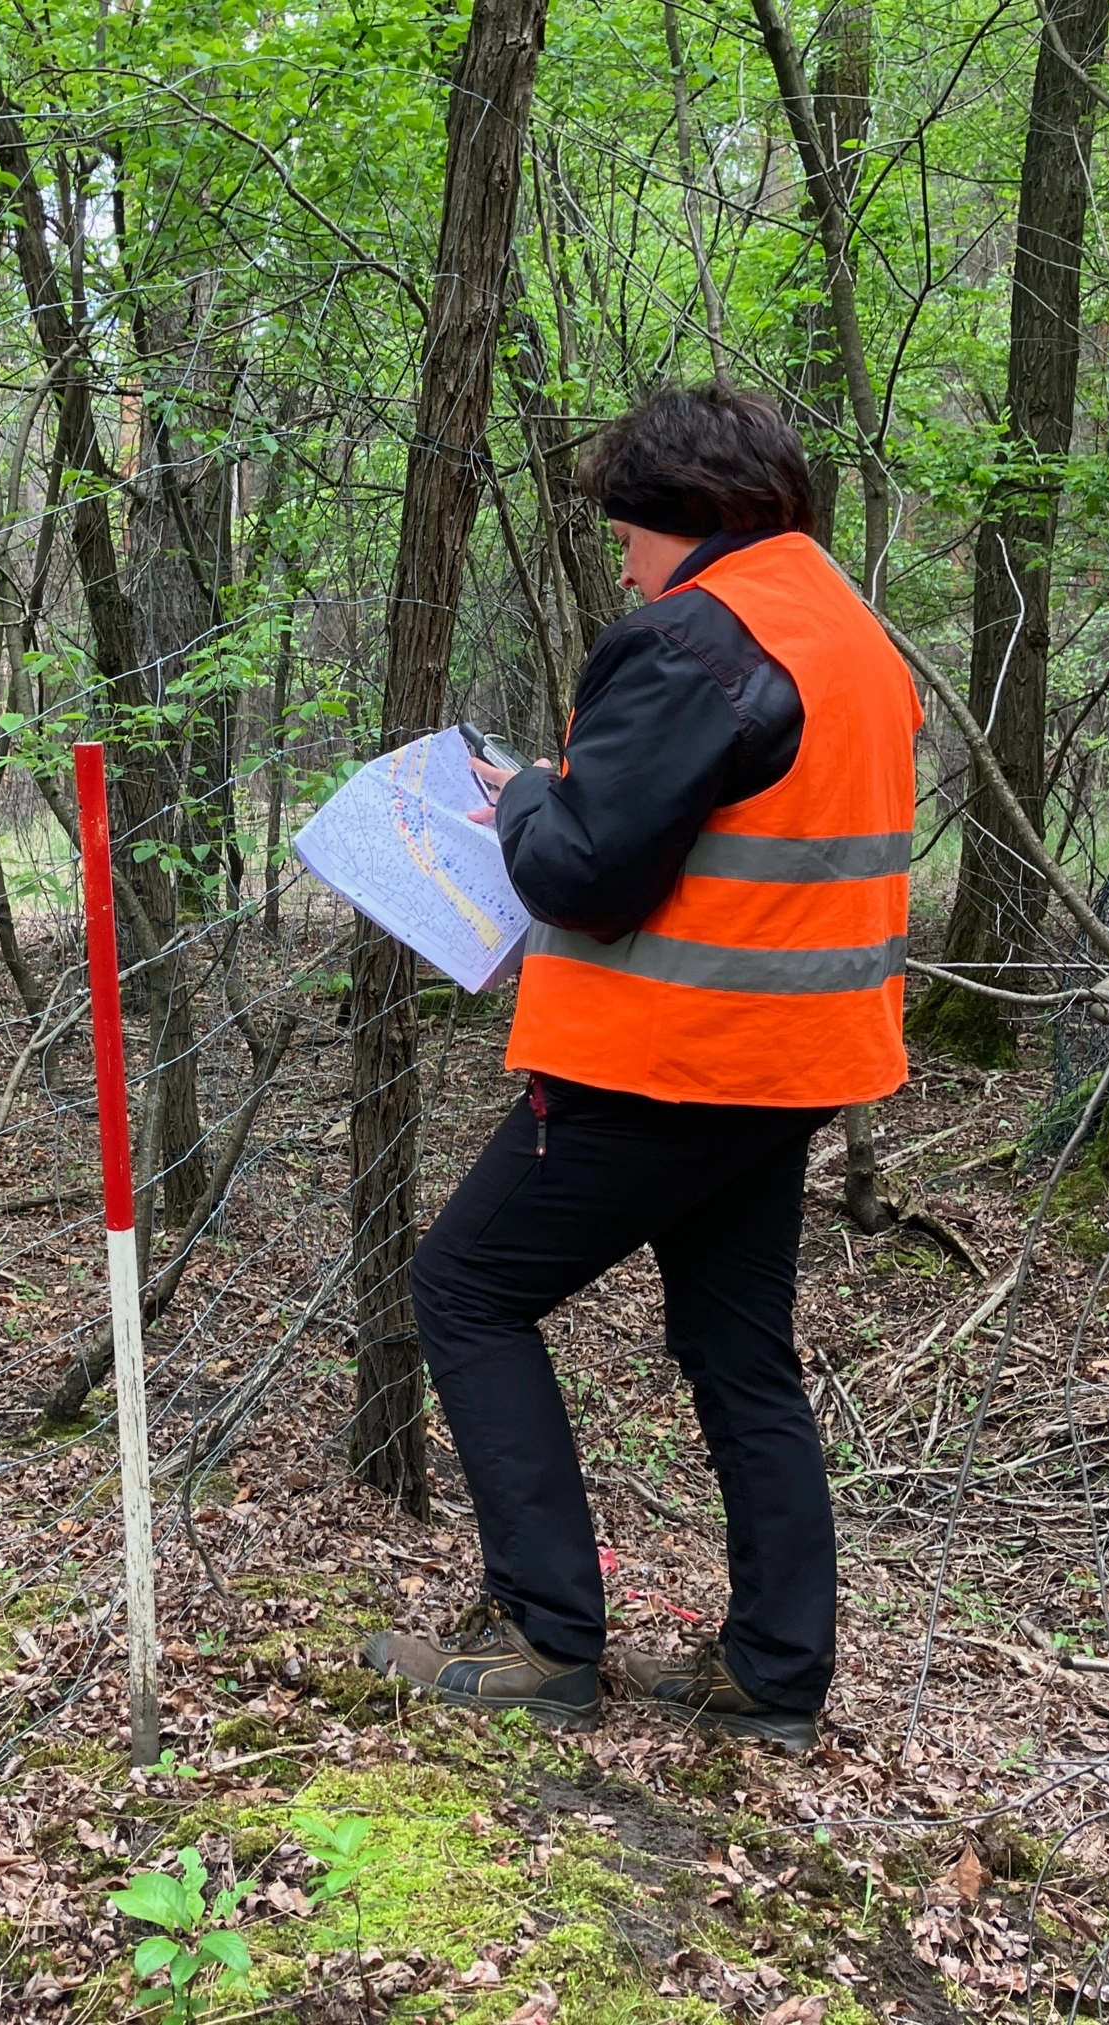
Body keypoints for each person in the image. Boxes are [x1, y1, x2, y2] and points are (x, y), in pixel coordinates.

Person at [360, 383, 922, 1751]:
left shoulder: (692, 642)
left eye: (628, 530)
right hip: (795, 1064)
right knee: (741, 1356)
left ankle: (545, 1638)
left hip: (662, 1061)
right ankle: (774, 1676)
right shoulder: (852, 636)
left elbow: (584, 874)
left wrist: (532, 794)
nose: (619, 557)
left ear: (686, 519)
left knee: (467, 1289)